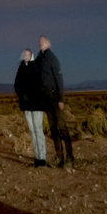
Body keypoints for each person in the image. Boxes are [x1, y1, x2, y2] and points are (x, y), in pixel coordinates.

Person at [36, 35, 74, 167]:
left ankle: (69, 157)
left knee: (62, 127)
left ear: (48, 43)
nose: (41, 44)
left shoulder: (52, 59)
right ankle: (59, 157)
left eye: (43, 42)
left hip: (55, 99)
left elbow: (59, 80)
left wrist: (61, 99)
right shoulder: (40, 59)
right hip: (46, 100)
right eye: (39, 42)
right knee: (53, 129)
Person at [14, 48, 48, 166]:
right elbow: (17, 84)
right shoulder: (21, 68)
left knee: (38, 129)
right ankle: (37, 157)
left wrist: (34, 96)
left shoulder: (36, 67)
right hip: (27, 104)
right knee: (33, 130)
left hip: (37, 103)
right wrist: (23, 96)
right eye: (25, 54)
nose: (27, 56)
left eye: (29, 54)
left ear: (31, 56)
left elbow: (40, 83)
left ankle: (42, 157)